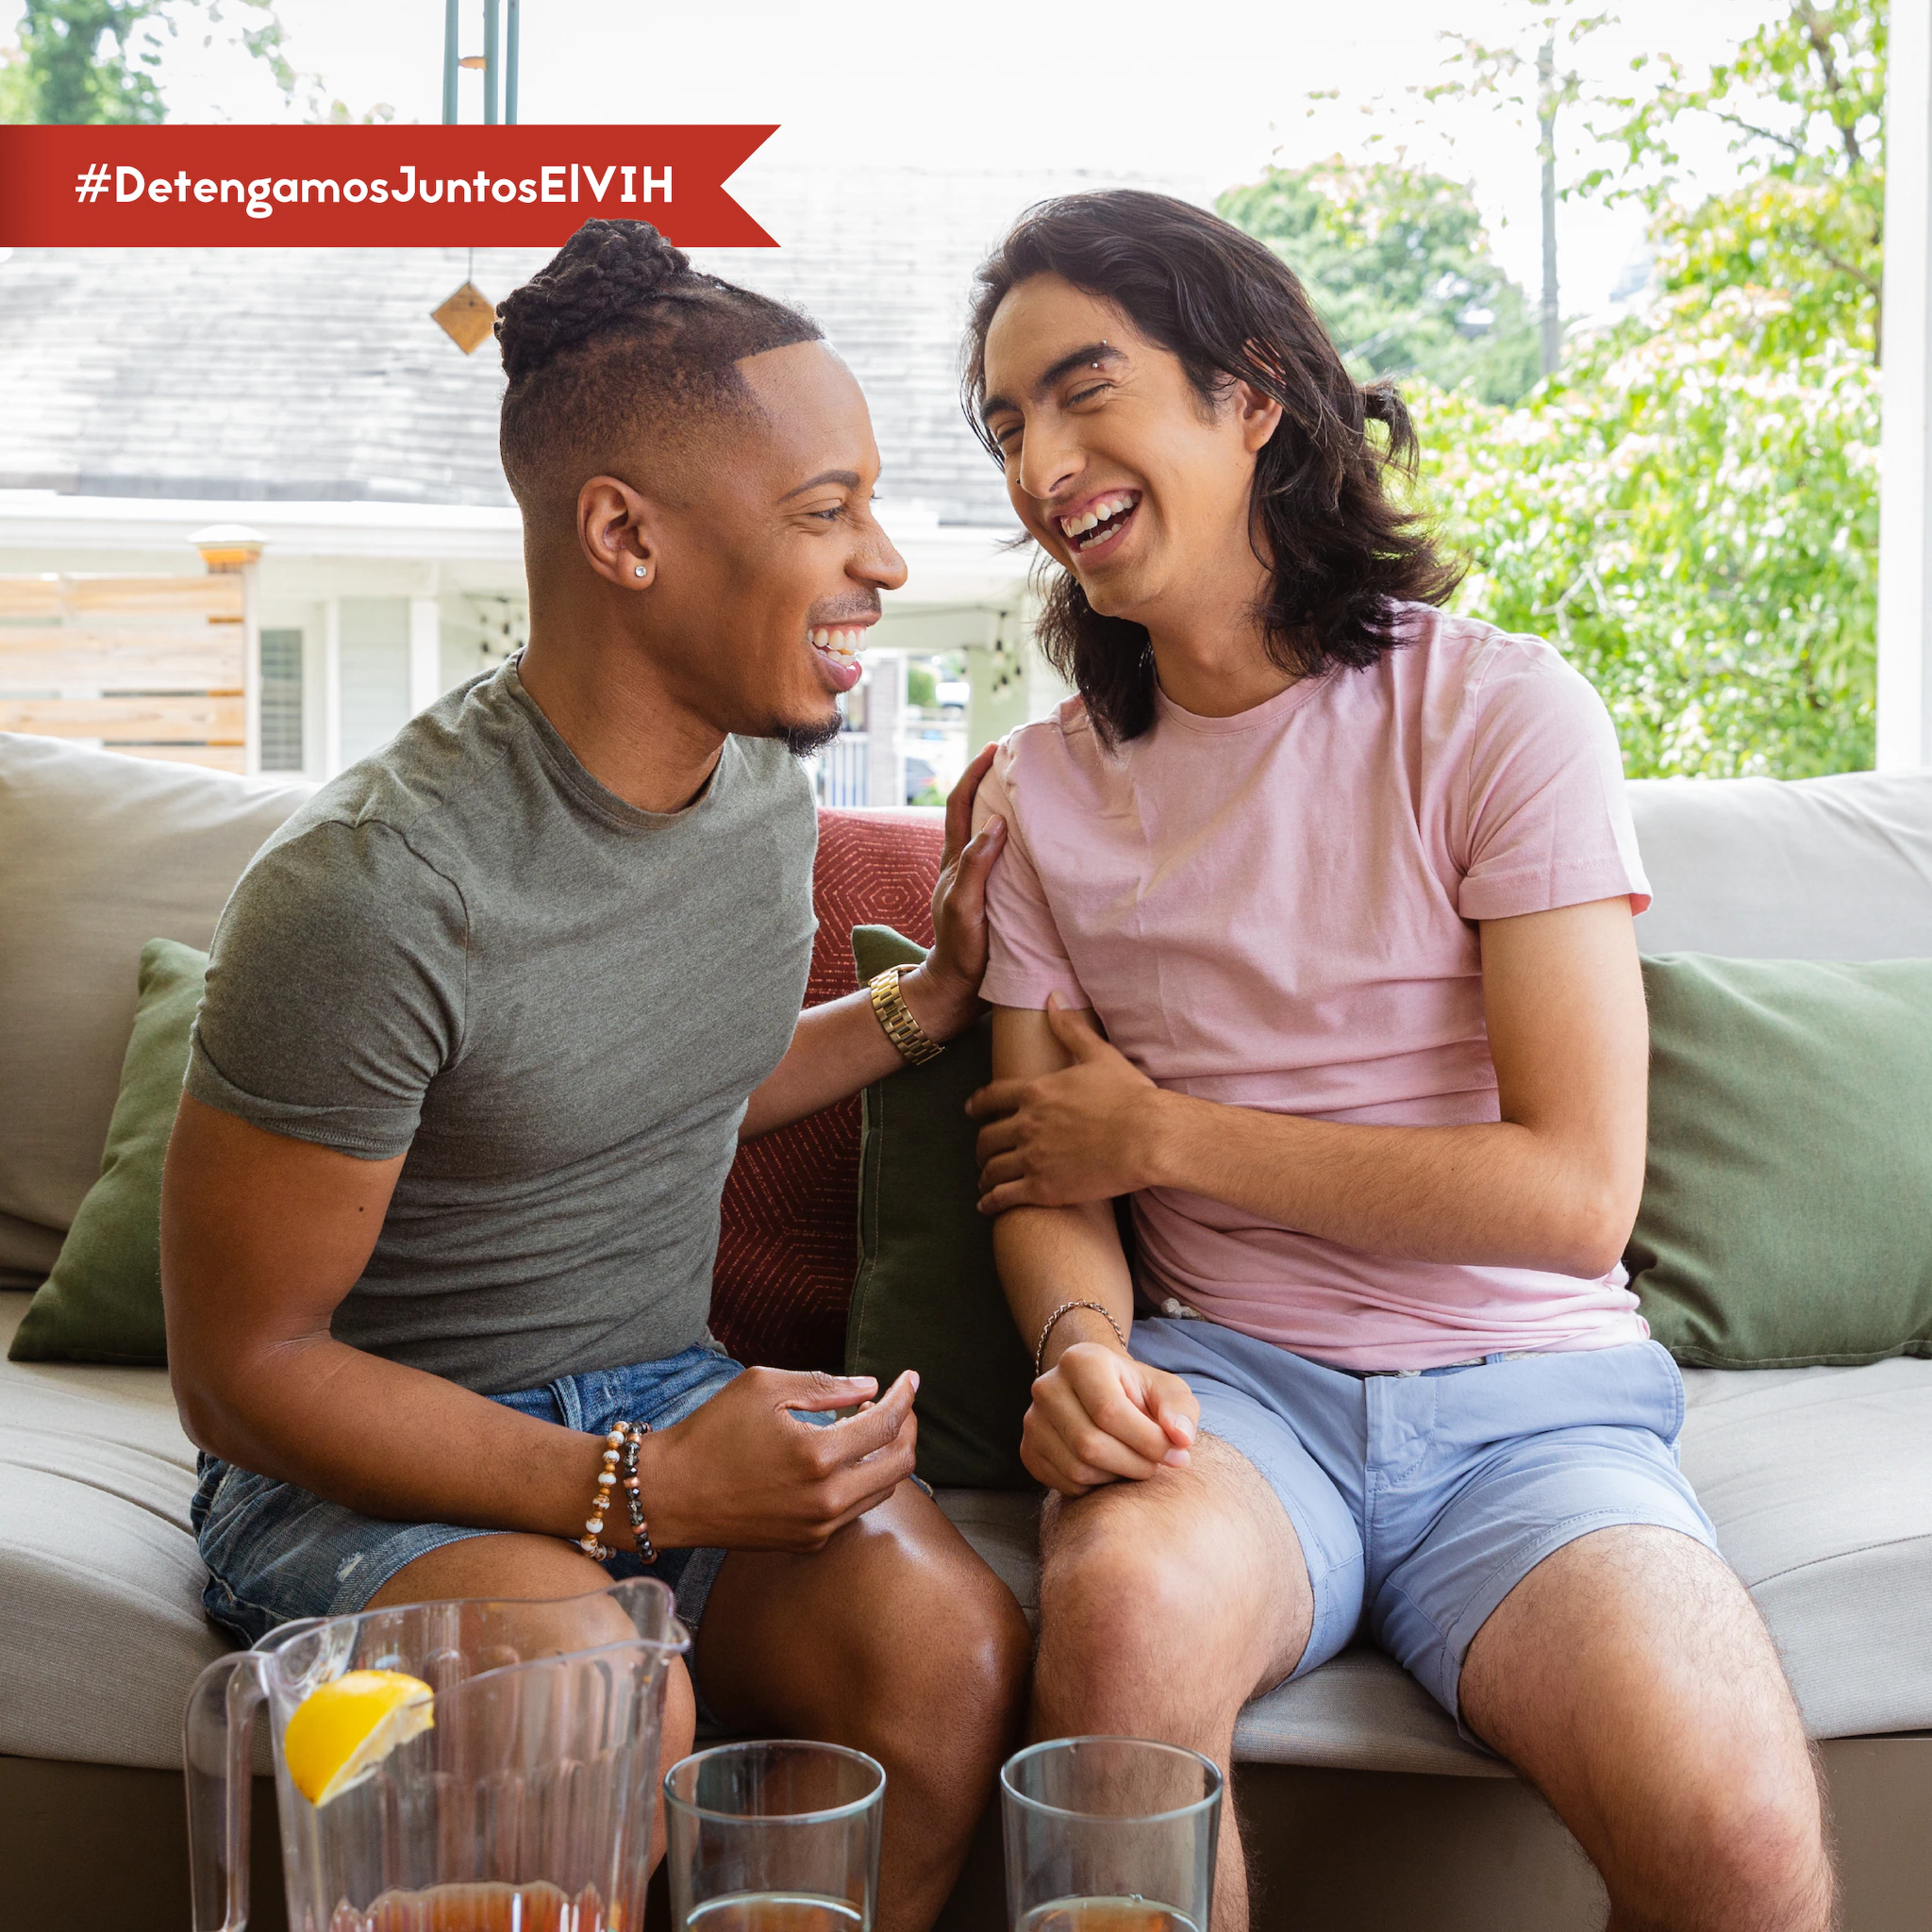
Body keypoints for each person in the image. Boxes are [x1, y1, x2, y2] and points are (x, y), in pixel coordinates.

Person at [959, 191, 1832, 1932]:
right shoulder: (1042, 795)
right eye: (1005, 427)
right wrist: (1081, 1347)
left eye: (1085, 389)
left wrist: (1170, 1136)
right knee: (1123, 1638)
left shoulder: (1500, 716)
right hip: (1232, 1399)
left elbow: (1575, 1196)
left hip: (1537, 1412)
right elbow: (1047, 1164)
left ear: (1255, 391)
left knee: (1739, 1842)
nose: (1042, 460)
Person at [160, 219, 1029, 1932]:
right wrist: (631, 1490)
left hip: (657, 1392)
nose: (886, 560)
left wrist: (932, 1000)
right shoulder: (373, 890)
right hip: (367, 1479)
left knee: (943, 1651)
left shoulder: (759, 790)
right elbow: (240, 1373)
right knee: (580, 1691)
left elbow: (654, 1092)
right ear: (623, 534)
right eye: (826, 509)